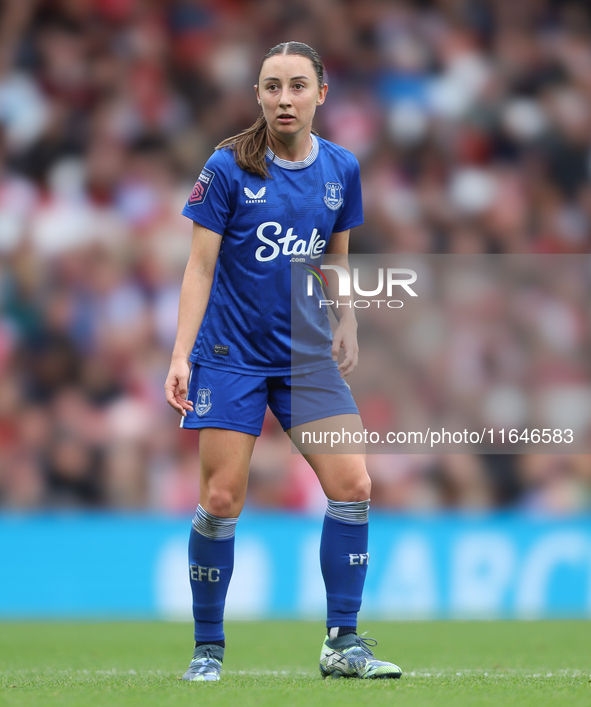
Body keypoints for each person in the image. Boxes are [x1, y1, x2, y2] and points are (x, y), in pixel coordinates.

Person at [164, 41, 401, 682]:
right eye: (272, 87)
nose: (284, 98)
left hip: (305, 358)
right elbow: (199, 266)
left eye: (297, 86)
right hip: (231, 356)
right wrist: (181, 354)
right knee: (221, 497)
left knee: (353, 487)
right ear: (259, 96)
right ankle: (207, 649)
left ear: (321, 93)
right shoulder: (227, 168)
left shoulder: (342, 169)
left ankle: (343, 643)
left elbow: (337, 259)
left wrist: (346, 315)